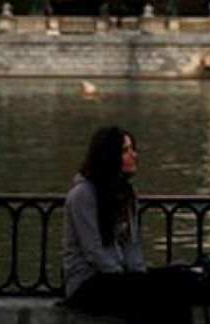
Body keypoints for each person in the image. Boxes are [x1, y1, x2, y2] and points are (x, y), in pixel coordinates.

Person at [63, 126, 196, 324]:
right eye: (126, 151)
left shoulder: (125, 193)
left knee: (178, 280)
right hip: (87, 283)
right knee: (145, 296)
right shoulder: (83, 194)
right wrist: (130, 279)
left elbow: (132, 244)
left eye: (133, 149)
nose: (134, 156)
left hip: (119, 277)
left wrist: (139, 274)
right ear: (110, 157)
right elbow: (94, 251)